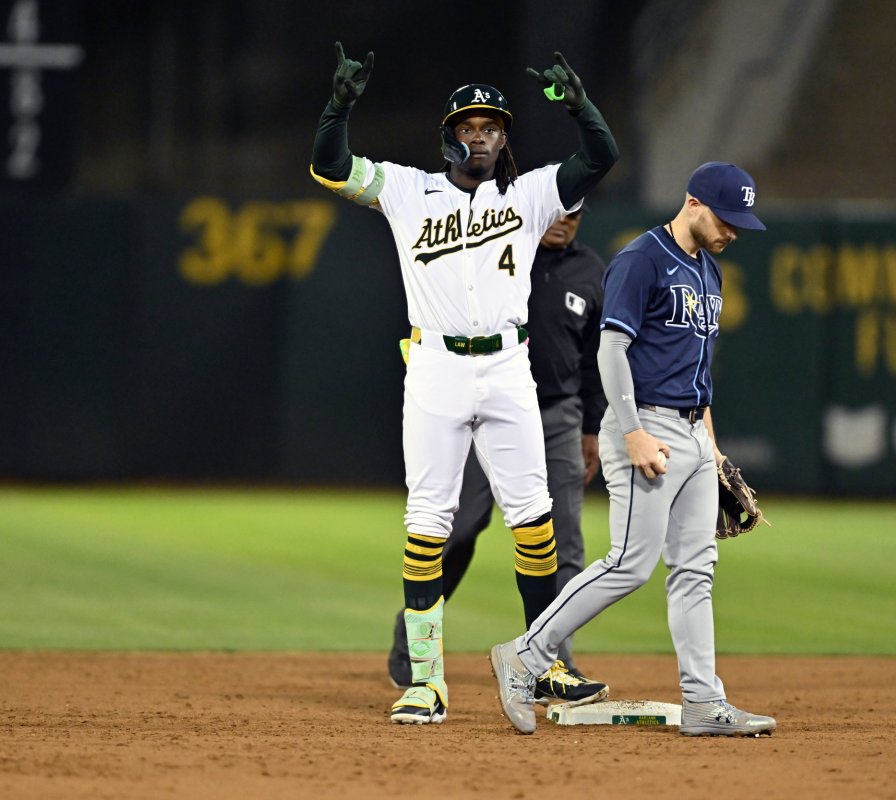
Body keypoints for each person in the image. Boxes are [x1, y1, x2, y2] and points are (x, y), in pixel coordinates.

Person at [310, 43, 618, 726]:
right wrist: (338, 107)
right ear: (448, 135)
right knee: (428, 524)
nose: (479, 137)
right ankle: (426, 682)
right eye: (467, 127)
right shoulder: (406, 189)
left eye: (491, 127)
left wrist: (580, 106)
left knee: (534, 521)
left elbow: (599, 157)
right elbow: (330, 166)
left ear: (504, 137)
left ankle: (545, 667)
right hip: (437, 369)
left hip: (510, 368)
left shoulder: (531, 193)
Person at [489, 162, 778, 737]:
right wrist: (630, 430)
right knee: (629, 564)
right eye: (727, 218)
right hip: (644, 425)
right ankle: (524, 655)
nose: (734, 231)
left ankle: (703, 702)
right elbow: (611, 349)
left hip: (694, 433)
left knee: (696, 570)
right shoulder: (640, 259)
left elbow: (698, 370)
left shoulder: (710, 273)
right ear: (693, 203)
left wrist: (712, 450)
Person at [387, 209, 609, 707]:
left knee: (564, 540)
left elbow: (597, 354)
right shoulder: (503, 251)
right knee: (458, 528)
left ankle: (552, 656)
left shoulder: (591, 269)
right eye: (559, 209)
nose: (566, 220)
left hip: (558, 416)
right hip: (481, 410)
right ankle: (413, 640)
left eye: (576, 211)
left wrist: (593, 425)